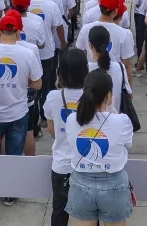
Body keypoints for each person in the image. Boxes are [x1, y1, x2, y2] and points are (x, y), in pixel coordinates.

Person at [0, 10, 43, 206]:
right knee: (14, 154)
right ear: (18, 32)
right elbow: (38, 83)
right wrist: (23, 83)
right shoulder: (27, 54)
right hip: (18, 113)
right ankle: (10, 194)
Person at [64, 69, 135, 226]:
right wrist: (111, 109)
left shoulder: (71, 119)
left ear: (84, 91)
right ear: (109, 95)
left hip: (80, 184)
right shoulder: (122, 121)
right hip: (114, 185)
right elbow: (127, 144)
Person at [43, 48, 89, 226]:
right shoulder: (92, 97)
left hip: (61, 165)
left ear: (60, 71)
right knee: (88, 214)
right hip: (86, 166)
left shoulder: (53, 97)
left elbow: (51, 128)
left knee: (59, 211)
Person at [85, 26, 132, 115]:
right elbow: (129, 94)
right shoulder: (120, 67)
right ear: (109, 44)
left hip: (91, 120)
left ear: (90, 45)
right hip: (115, 118)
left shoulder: (86, 68)